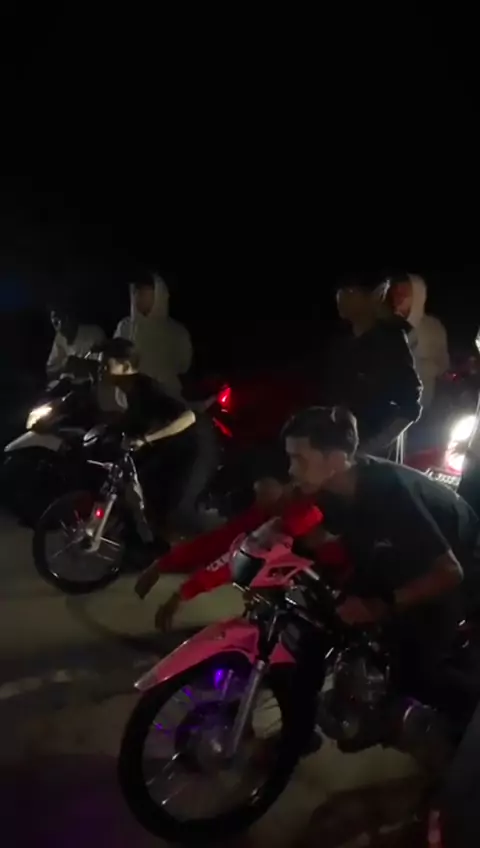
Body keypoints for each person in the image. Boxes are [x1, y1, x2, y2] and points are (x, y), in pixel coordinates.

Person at [283, 405, 480, 714]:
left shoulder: (388, 492)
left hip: (457, 564)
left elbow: (450, 572)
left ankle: (469, 720)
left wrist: (380, 605)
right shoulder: (332, 487)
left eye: (299, 459)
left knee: (415, 675)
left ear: (336, 460)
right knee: (317, 627)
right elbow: (319, 537)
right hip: (400, 554)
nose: (291, 470)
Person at [135, 475, 350, 629]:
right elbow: (220, 543)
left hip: (335, 590)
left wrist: (180, 595)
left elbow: (236, 561)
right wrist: (164, 564)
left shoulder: (302, 515)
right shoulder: (269, 512)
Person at [100, 337, 216, 537]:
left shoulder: (149, 388)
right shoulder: (130, 391)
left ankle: (209, 544)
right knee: (147, 488)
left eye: (106, 365)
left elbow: (188, 417)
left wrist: (147, 439)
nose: (101, 369)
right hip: (174, 448)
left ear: (125, 367)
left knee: (178, 510)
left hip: (197, 447)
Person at [329, 273, 422, 456]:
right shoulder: (343, 341)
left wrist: (366, 449)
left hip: (369, 457)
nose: (341, 296)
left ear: (377, 294)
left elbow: (409, 406)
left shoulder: (388, 342)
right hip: (337, 452)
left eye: (351, 291)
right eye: (340, 290)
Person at [115, 272, 192, 399]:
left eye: (144, 292)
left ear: (159, 295)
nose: (138, 296)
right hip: (129, 400)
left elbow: (183, 365)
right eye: (136, 291)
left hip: (167, 399)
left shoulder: (177, 331)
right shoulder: (125, 326)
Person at [390, 273, 450, 409]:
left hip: (424, 405)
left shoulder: (433, 327)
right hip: (391, 408)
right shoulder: (386, 325)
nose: (399, 297)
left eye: (404, 292)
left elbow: (442, 365)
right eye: (396, 291)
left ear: (417, 294)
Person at [47, 307, 105, 379]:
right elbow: (50, 371)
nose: (61, 325)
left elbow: (102, 369)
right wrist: (63, 367)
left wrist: (80, 364)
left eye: (65, 319)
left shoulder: (94, 333)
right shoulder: (59, 338)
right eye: (56, 322)